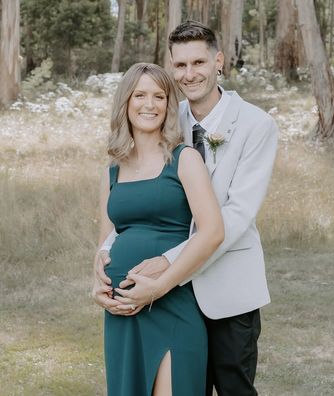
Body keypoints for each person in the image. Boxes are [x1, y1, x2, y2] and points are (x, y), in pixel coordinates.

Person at [94, 21, 278, 396]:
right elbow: (140, 201)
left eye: (199, 63)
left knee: (232, 389)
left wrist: (167, 262)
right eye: (180, 66)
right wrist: (103, 254)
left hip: (224, 288)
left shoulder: (256, 125)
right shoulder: (163, 114)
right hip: (163, 294)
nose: (190, 74)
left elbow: (237, 215)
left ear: (219, 62)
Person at [94, 62, 224, 396]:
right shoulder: (112, 169)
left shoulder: (185, 159)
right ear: (126, 102)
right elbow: (107, 242)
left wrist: (158, 287)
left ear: (169, 105)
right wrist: (97, 285)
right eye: (140, 95)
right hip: (123, 310)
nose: (149, 104)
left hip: (172, 302)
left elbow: (212, 232)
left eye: (159, 96)